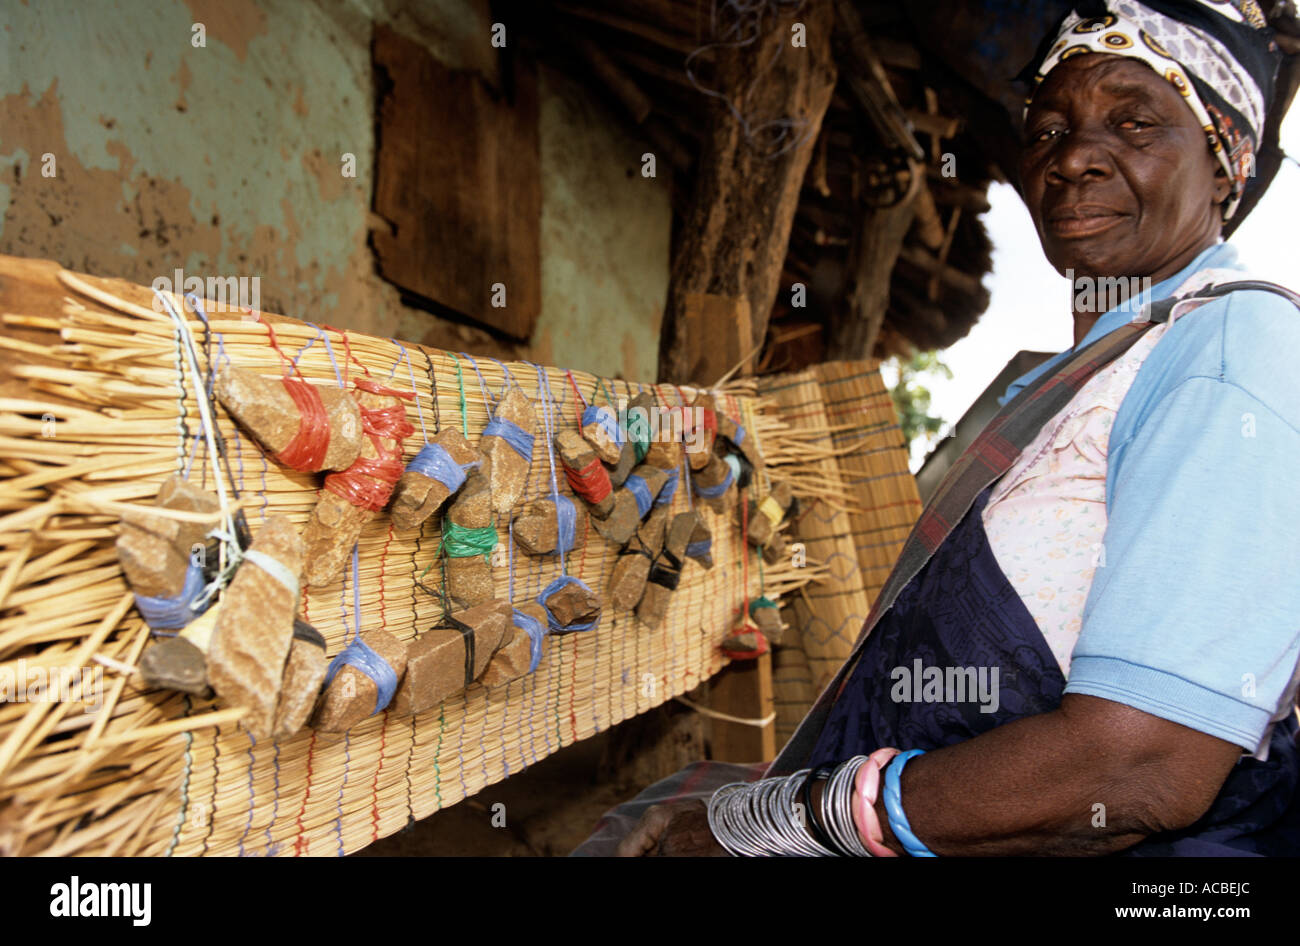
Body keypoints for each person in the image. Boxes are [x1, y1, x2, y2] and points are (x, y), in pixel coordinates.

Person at [574, 0, 1300, 857]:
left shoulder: (1233, 351)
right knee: (648, 814)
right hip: (912, 811)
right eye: (1048, 128)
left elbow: (1139, 767)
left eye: (1134, 121)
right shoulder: (1084, 369)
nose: (1071, 160)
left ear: (1227, 166)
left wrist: (785, 825)